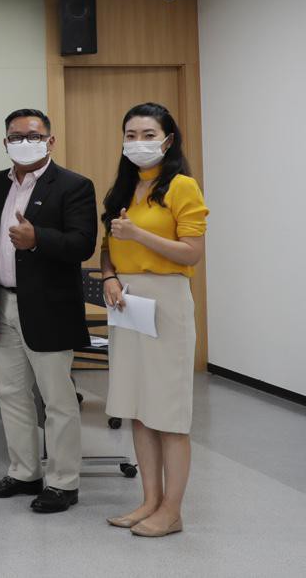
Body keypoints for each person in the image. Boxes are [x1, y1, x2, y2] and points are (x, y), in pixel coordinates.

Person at [0, 109, 97, 514]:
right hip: (1, 301)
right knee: (10, 395)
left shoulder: (74, 185)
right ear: (5, 143)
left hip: (49, 307)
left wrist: (37, 238)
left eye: (33, 135)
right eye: (16, 136)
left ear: (50, 141)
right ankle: (24, 472)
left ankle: (63, 482)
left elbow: (83, 244)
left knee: (57, 399)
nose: (24, 142)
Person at [100, 103, 207, 538]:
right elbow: (108, 245)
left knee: (168, 411)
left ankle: (172, 510)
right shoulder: (123, 189)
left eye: (148, 135)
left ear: (168, 140)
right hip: (127, 300)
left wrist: (139, 234)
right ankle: (149, 500)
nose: (138, 143)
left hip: (166, 298)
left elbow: (192, 253)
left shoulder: (182, 186)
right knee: (138, 408)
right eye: (131, 135)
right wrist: (109, 277)